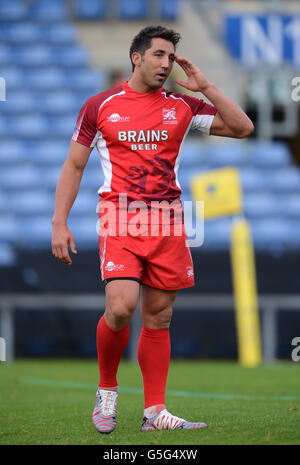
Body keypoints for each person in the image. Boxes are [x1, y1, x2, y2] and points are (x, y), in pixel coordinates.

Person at [51, 25, 254, 434]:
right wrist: (60, 221)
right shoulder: (100, 106)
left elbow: (242, 127)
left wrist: (206, 87)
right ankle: (107, 389)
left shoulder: (182, 106)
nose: (166, 64)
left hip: (168, 222)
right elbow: (74, 165)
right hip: (121, 219)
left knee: (158, 317)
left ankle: (154, 412)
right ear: (137, 57)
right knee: (121, 306)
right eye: (159, 55)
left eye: (171, 57)